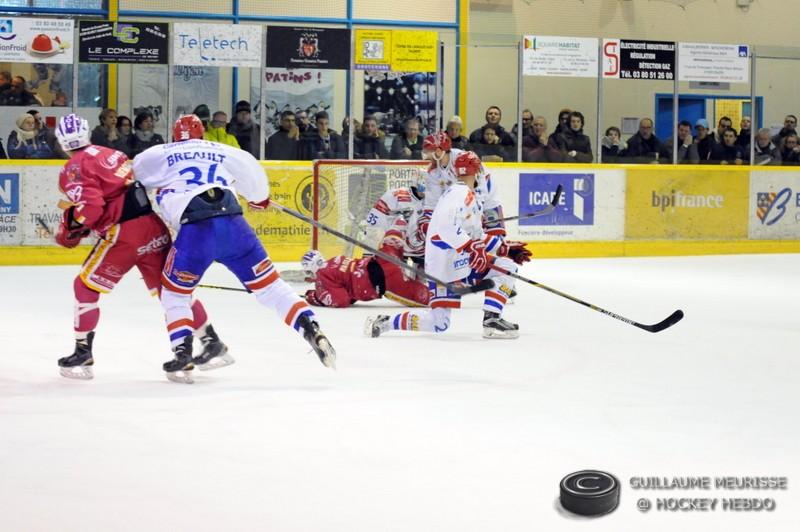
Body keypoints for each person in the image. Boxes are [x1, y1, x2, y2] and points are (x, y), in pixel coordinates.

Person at [132, 115, 336, 379]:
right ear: (202, 134)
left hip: (196, 232)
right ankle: (311, 327)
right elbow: (254, 178)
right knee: (271, 288)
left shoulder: (158, 153)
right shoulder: (224, 150)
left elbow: (135, 175)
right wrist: (259, 199)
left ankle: (182, 352)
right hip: (234, 226)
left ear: (174, 135)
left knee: (175, 294)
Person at [51, 113, 229, 380]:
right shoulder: (112, 153)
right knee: (173, 292)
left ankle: (82, 352)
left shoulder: (73, 168)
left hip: (125, 235)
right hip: (152, 226)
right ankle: (210, 340)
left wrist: (71, 229)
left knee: (84, 286)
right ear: (86, 132)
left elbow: (92, 208)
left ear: (61, 141)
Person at [364, 151, 530, 340]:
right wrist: (470, 247)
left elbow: (474, 235)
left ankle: (492, 320)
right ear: (477, 172)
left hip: (451, 262)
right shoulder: (460, 193)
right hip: (446, 264)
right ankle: (387, 322)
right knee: (439, 322)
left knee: (439, 322)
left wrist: (503, 248)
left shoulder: (464, 195)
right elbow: (446, 228)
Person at [301, 218, 429, 309]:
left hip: (387, 282)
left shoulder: (322, 277)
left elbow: (341, 301)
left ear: (311, 268)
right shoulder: (334, 259)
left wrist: (316, 296)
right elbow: (346, 283)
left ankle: (435, 294)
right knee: (393, 236)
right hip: (383, 259)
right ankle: (406, 225)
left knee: (429, 298)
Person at [363, 174, 427, 263]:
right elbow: (375, 220)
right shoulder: (395, 195)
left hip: (420, 250)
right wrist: (370, 251)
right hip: (395, 247)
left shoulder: (431, 201)